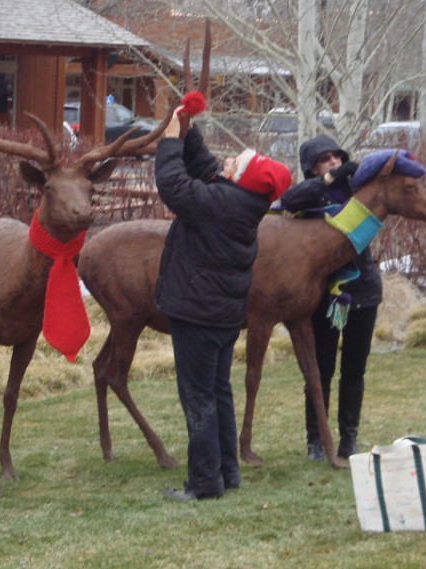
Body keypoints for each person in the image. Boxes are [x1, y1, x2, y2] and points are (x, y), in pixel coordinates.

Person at [155, 107, 292, 501]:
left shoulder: (221, 202)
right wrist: (189, 129)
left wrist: (168, 141)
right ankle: (226, 471)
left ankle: (203, 483)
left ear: (241, 178)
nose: (227, 161)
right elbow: (203, 168)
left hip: (197, 314)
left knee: (198, 397)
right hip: (221, 316)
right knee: (218, 392)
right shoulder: (240, 198)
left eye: (235, 162)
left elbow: (173, 184)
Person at [280, 135, 381, 461]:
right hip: (323, 294)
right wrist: (328, 179)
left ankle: (349, 439)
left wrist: (346, 175)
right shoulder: (311, 196)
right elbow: (288, 199)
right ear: (312, 168)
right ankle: (316, 440)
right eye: (325, 159)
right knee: (319, 369)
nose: (334, 163)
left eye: (336, 157)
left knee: (354, 369)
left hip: (362, 289)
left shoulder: (357, 190)